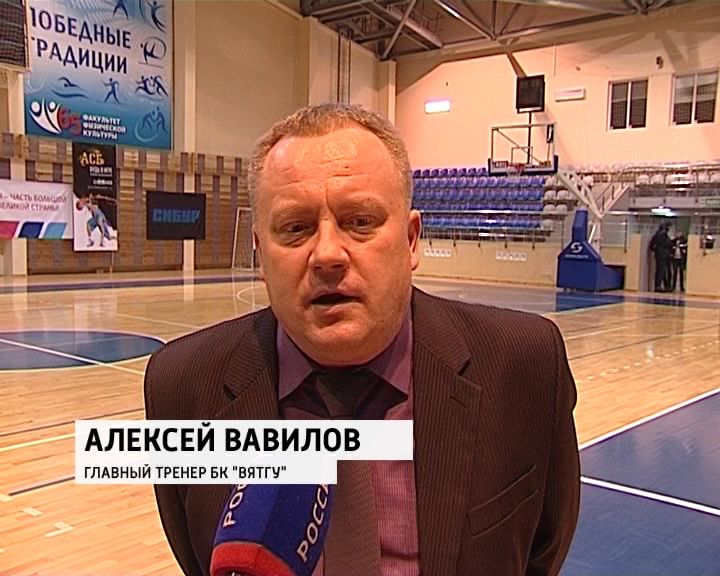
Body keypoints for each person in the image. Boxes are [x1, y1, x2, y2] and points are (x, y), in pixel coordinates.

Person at [144, 103, 580, 576]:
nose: (327, 255)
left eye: (360, 221)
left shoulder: (523, 364)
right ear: (259, 253)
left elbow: (543, 548)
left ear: (411, 241)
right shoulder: (182, 387)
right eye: (295, 228)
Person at [649, 222, 672, 292]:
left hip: (660, 255)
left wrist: (655, 250)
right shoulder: (662, 235)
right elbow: (668, 244)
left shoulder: (656, 235)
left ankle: (660, 286)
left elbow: (651, 246)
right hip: (663, 255)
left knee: (661, 271)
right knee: (661, 271)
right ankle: (659, 286)